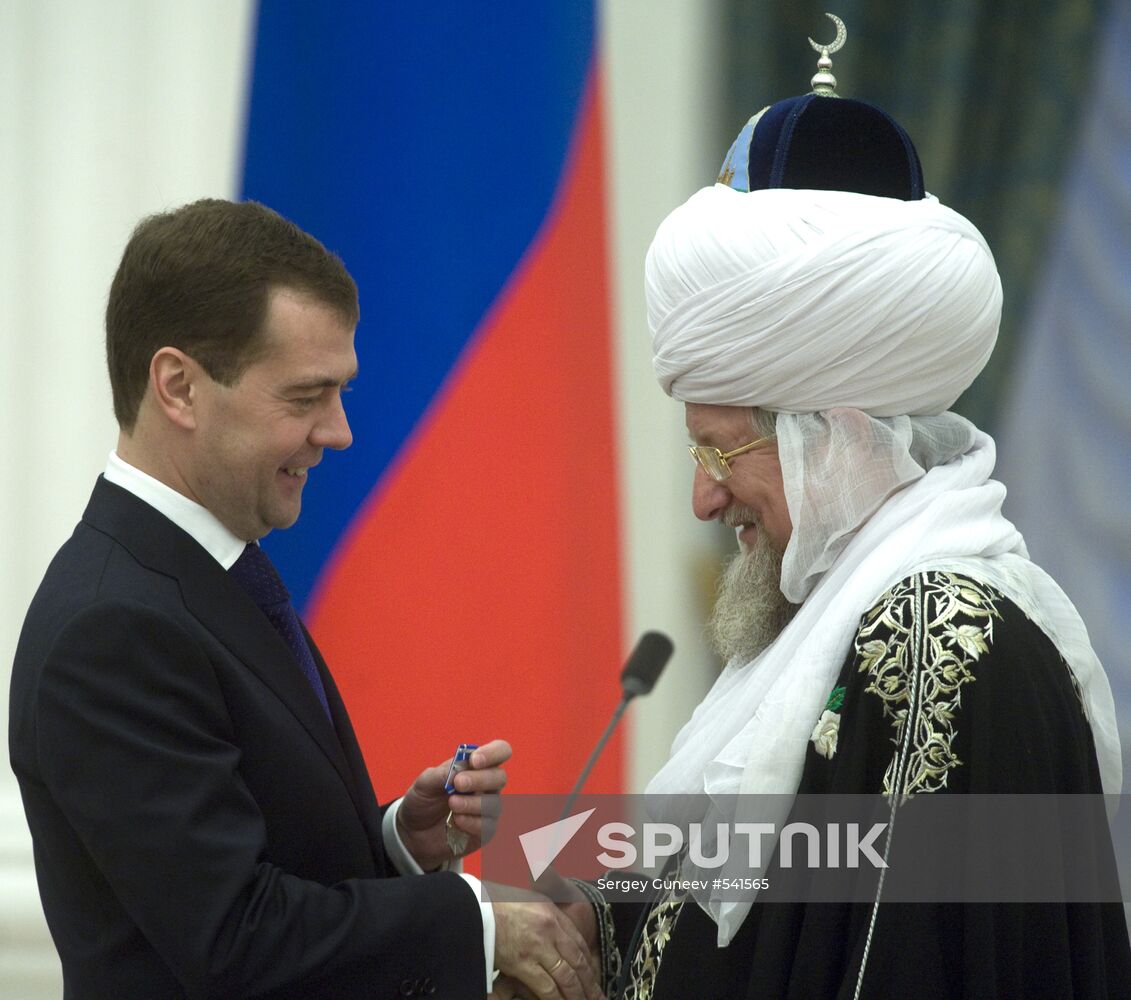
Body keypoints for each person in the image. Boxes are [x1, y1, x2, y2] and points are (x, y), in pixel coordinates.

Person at [498, 26, 1131, 1000]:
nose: (705, 495)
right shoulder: (829, 621)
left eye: (721, 448)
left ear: (826, 434)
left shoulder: (928, 634)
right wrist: (587, 904)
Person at [8, 199, 600, 1000]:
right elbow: (233, 939)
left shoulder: (209, 568)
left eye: (341, 392)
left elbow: (253, 857)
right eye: (304, 397)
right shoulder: (112, 628)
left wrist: (395, 840)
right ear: (179, 387)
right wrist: (478, 920)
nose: (340, 431)